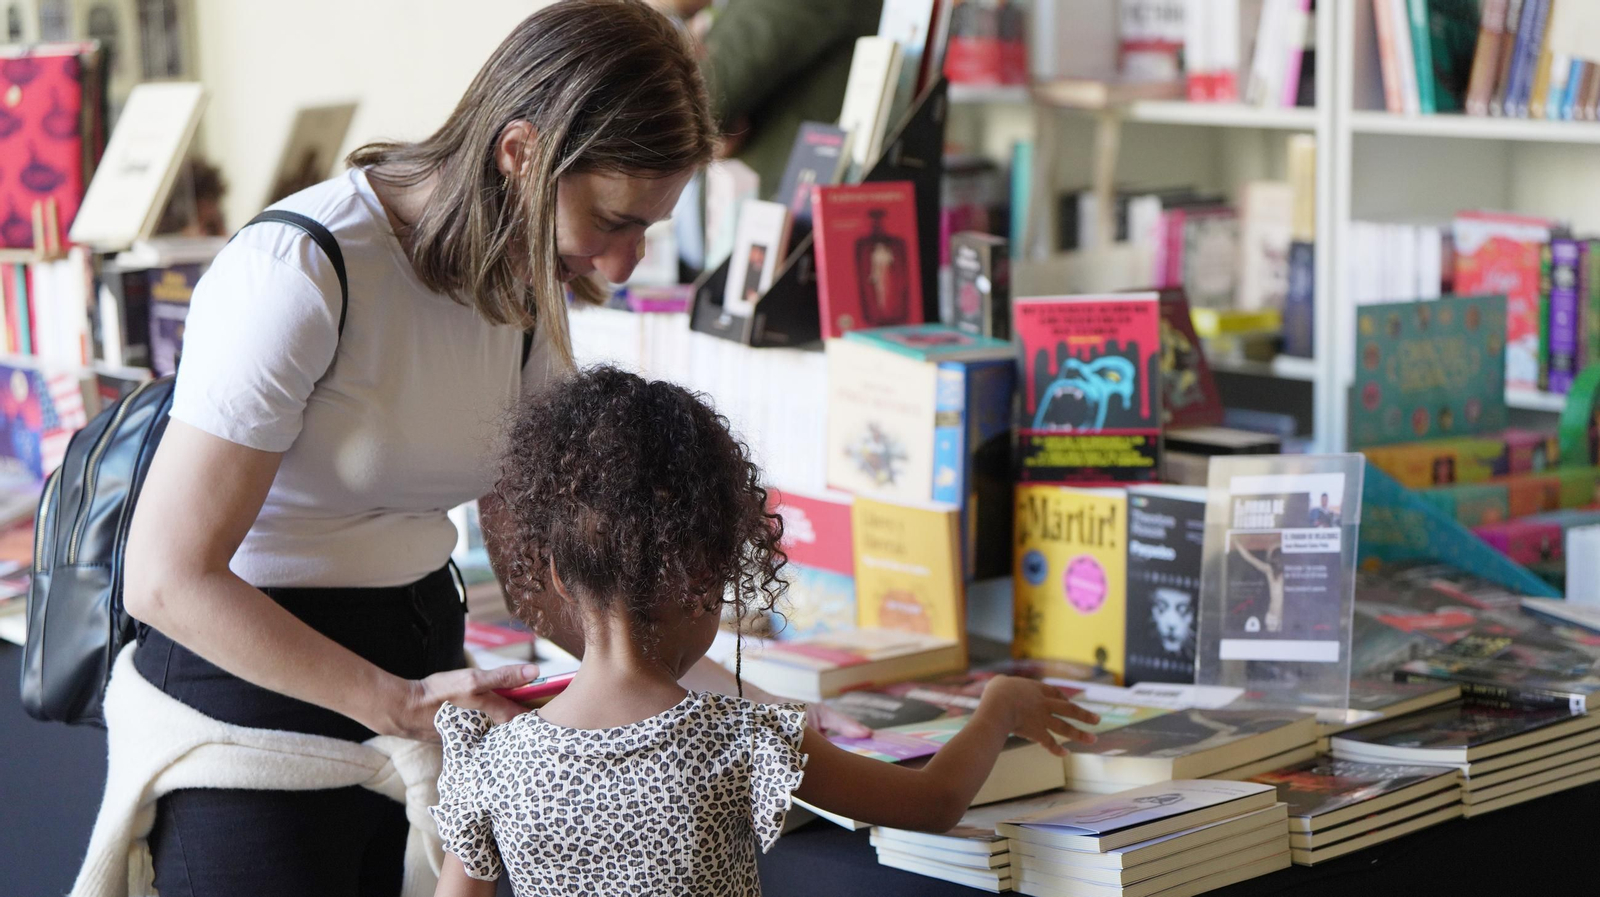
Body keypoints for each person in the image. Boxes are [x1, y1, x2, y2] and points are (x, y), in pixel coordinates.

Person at [110, 3, 797, 894]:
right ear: (520, 153)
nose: (622, 266)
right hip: (251, 724)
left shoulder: (522, 303)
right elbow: (165, 578)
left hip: (421, 694)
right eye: (617, 220)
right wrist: (399, 704)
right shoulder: (302, 271)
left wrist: (747, 707)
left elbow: (557, 582)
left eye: (647, 233)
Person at [430, 367, 1101, 896]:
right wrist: (998, 707)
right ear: (703, 567)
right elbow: (934, 802)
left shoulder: (491, 763)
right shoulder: (741, 740)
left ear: (554, 570)